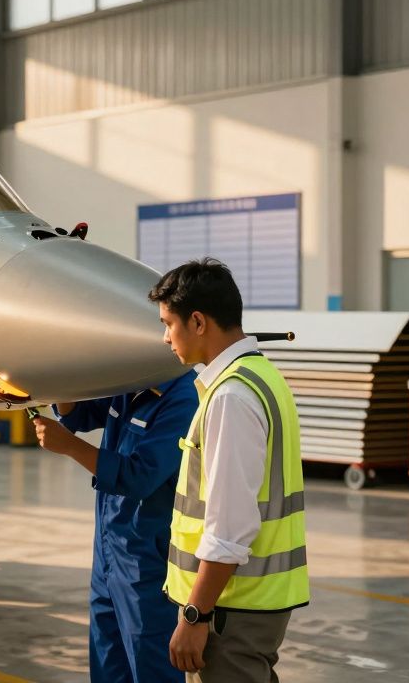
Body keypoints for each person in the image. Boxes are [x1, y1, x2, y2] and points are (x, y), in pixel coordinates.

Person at [148, 258, 308, 682]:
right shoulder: (261, 376)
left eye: (168, 324)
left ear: (198, 322)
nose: (165, 337)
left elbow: (229, 529)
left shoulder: (231, 397)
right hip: (248, 604)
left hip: (229, 610)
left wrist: (195, 615)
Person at [32, 363, 198, 683]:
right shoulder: (130, 381)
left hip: (147, 560)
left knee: (151, 663)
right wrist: (59, 380)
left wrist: (69, 446)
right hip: (109, 553)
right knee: (108, 661)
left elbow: (140, 476)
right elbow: (81, 415)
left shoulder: (183, 398)